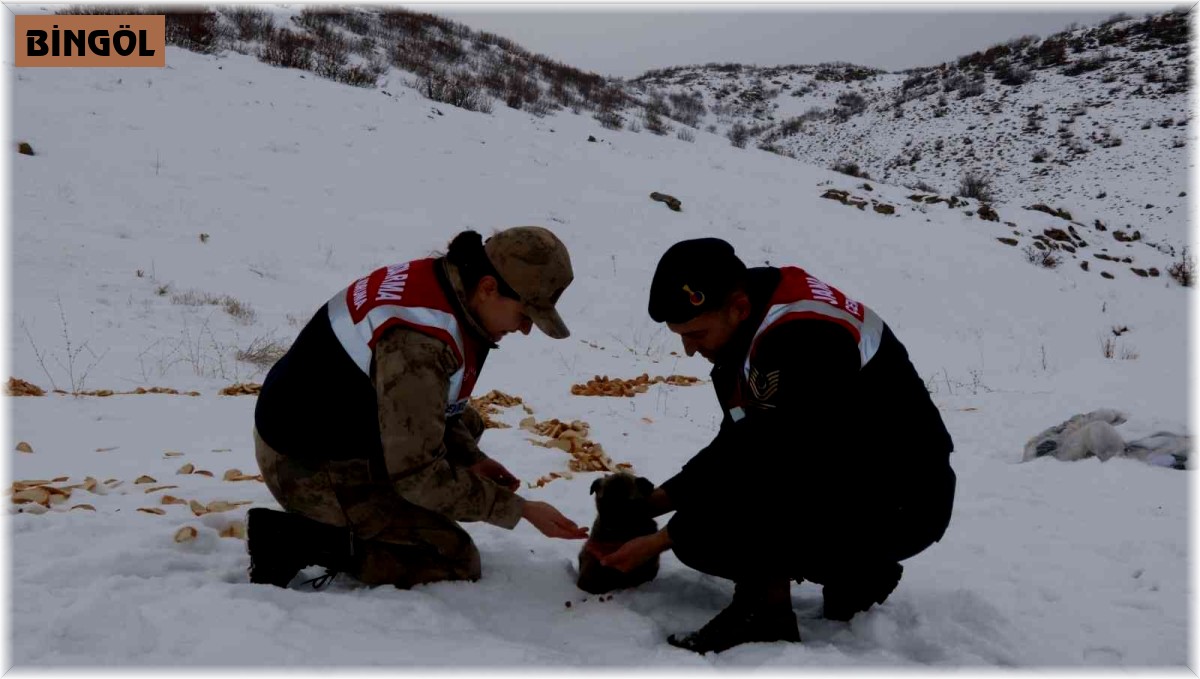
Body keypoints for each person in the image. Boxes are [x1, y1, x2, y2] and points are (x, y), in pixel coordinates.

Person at [597, 237, 956, 654]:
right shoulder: (751, 318)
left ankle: (766, 614)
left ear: (738, 307)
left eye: (696, 334)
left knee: (707, 535)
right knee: (712, 517)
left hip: (905, 501)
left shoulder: (805, 339)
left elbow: (780, 465)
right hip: (860, 475)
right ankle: (855, 573)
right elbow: (743, 441)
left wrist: (664, 538)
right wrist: (657, 501)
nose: (689, 349)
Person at [247, 226, 589, 591]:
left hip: (330, 425)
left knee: (468, 425)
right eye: (525, 315)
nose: (525, 329)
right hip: (303, 465)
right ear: (489, 287)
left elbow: (438, 407)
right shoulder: (418, 345)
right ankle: (299, 539)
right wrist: (518, 508)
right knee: (452, 558)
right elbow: (417, 475)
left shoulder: (448, 282)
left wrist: (470, 458)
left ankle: (388, 504)